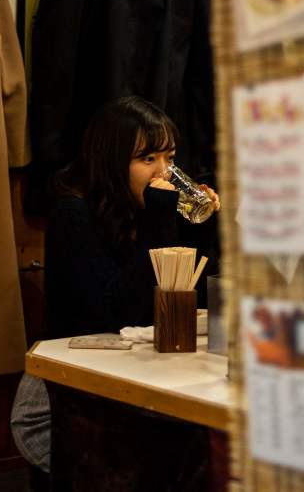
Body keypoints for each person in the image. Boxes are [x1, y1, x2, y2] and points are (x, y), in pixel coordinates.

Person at [11, 96, 219, 482]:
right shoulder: (72, 216)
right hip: (61, 398)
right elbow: (116, 312)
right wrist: (161, 221)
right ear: (111, 160)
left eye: (169, 158)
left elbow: (192, 298)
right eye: (148, 159)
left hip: (136, 377)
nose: (164, 172)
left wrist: (203, 229)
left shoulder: (144, 213)